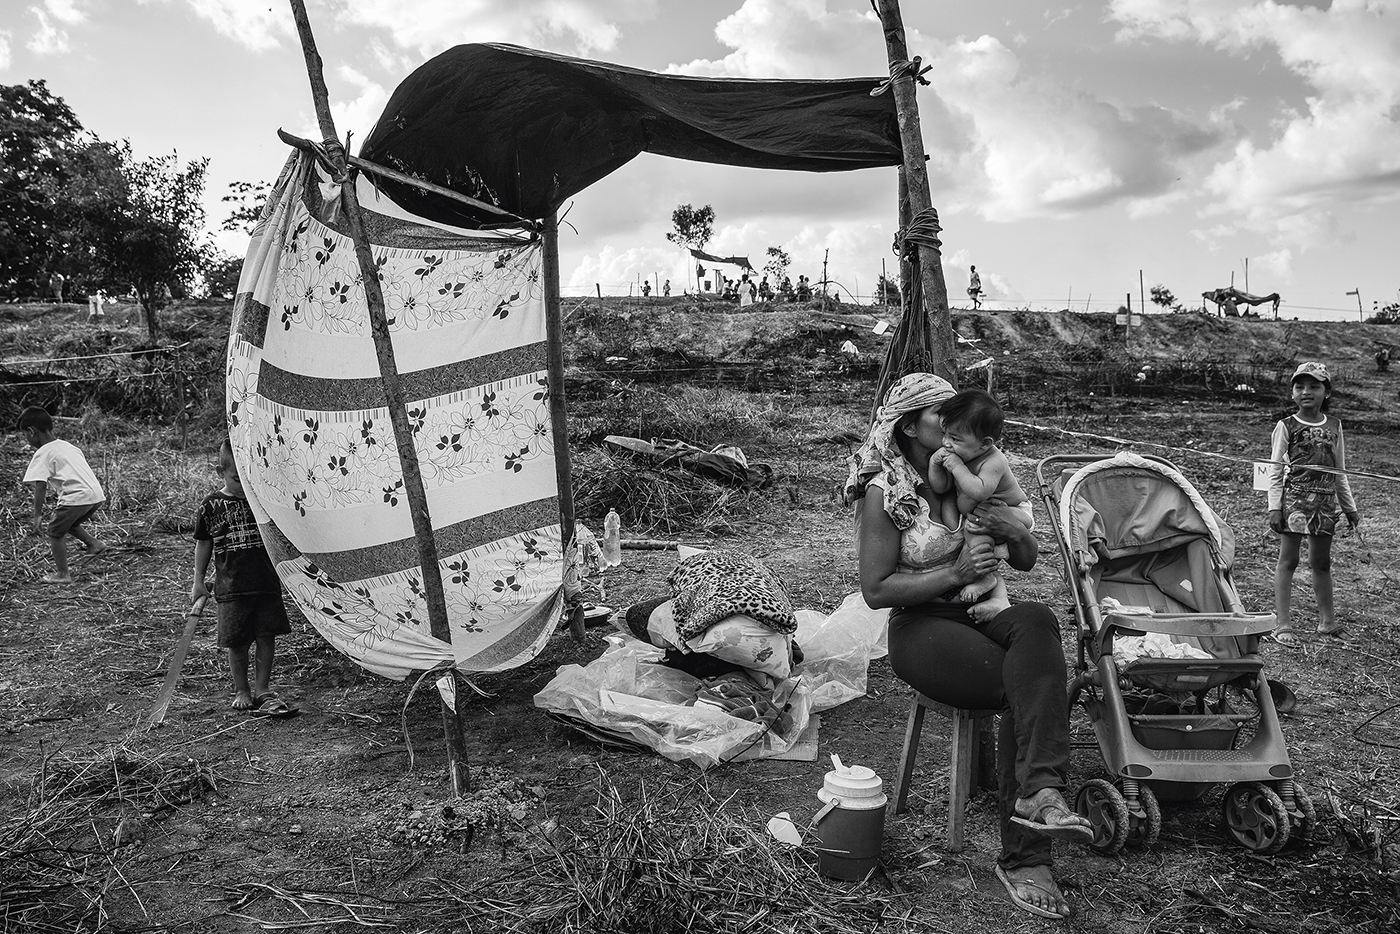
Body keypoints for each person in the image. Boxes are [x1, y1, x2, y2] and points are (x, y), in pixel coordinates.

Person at [845, 372, 1091, 920]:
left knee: (1037, 620)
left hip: (987, 610)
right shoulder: (887, 490)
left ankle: (1039, 792)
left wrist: (1015, 527)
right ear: (912, 426)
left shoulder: (979, 472)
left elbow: (1024, 560)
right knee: (1022, 680)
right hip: (923, 626)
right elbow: (876, 588)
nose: (957, 424)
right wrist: (953, 570)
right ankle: (1028, 854)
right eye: (944, 416)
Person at [193, 439, 294, 712]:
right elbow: (204, 542)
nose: (243, 486)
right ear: (220, 472)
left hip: (266, 582)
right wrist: (198, 580)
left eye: (249, 479)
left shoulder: (262, 501)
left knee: (266, 636)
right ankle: (241, 689)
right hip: (232, 587)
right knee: (237, 642)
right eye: (237, 480)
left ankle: (263, 689)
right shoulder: (211, 506)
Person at [1267, 362, 1361, 643]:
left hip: (1325, 505)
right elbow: (1274, 470)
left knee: (1321, 562)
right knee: (1289, 561)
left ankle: (1327, 622)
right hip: (1294, 501)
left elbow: (1339, 472)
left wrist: (1350, 508)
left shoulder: (1335, 426)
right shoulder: (1286, 426)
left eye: (1314, 386)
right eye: (1300, 386)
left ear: (1326, 392)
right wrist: (1274, 507)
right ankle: (1283, 624)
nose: (1306, 391)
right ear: (1293, 393)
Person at [927, 390, 1032, 622]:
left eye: (955, 439)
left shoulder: (994, 460)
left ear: (985, 443)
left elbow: (979, 490)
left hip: (1015, 512)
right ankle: (997, 596)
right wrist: (936, 466)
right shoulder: (963, 455)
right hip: (985, 512)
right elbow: (941, 487)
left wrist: (956, 467)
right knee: (975, 536)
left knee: (975, 530)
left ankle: (985, 580)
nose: (946, 443)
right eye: (944, 434)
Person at [19, 406, 108, 583]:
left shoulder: (43, 453)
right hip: (96, 495)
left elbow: (40, 485)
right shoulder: (68, 446)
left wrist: (37, 515)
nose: (26, 439)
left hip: (76, 497)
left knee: (54, 531)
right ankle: (94, 544)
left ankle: (62, 574)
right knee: (69, 523)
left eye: (25, 435)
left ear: (31, 431)